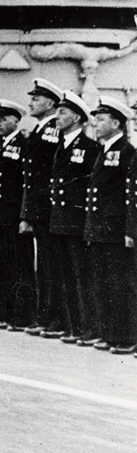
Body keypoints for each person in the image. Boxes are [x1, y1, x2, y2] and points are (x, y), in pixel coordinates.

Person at [83, 96, 136, 353]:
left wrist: (129, 231)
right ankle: (109, 334)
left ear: (116, 123)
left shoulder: (127, 152)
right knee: (102, 283)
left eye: (101, 119)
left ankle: (125, 336)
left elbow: (129, 195)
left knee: (120, 284)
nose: (95, 123)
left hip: (115, 231)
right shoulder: (103, 150)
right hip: (101, 229)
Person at [47, 90, 98, 344]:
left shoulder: (90, 148)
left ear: (77, 117)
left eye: (63, 112)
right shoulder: (61, 145)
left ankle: (89, 327)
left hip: (77, 222)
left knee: (81, 277)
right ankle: (73, 326)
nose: (57, 116)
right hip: (60, 221)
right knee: (65, 276)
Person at [20, 77, 65, 337]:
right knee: (45, 264)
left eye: (36, 99)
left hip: (47, 208)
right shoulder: (40, 129)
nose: (31, 102)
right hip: (40, 208)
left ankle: (53, 317)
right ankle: (46, 315)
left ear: (50, 103)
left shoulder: (50, 131)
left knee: (51, 264)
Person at [0, 99, 35, 331]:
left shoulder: (23, 143)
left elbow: (25, 181)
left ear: (16, 120)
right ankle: (7, 311)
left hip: (14, 215)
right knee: (4, 265)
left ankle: (23, 314)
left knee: (20, 266)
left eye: (4, 119)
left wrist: (24, 216)